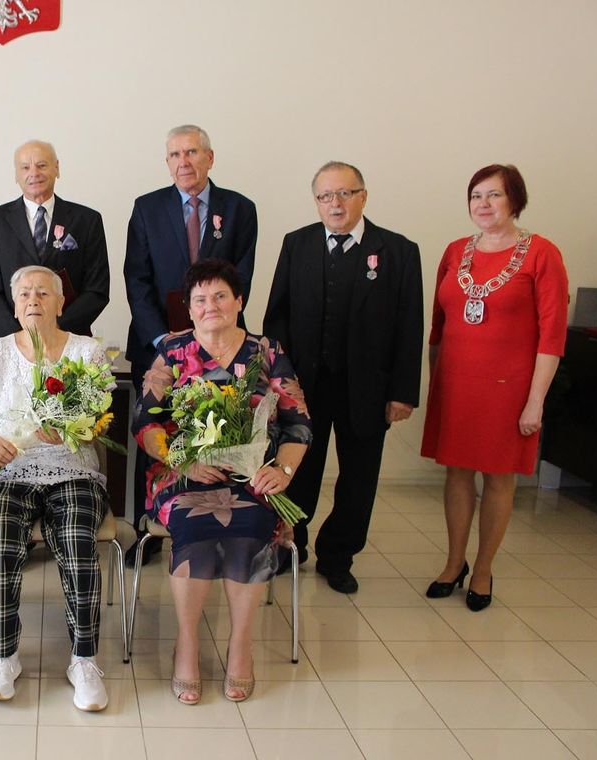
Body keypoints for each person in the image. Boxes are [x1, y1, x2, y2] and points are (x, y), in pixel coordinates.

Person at [133, 258, 311, 705]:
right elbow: (145, 423)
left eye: (219, 296)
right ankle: (188, 644)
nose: (210, 306)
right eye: (200, 299)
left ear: (239, 302)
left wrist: (283, 471)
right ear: (189, 310)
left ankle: (240, 644)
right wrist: (181, 460)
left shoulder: (266, 353)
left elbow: (298, 424)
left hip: (252, 476)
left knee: (250, 527)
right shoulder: (172, 352)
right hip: (183, 474)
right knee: (192, 526)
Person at [263, 161, 423, 594]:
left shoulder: (399, 252)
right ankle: (290, 545)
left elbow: (410, 328)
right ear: (316, 201)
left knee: (359, 477)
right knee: (298, 469)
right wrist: (276, 385)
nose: (335, 203)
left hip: (368, 390)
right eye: (325, 196)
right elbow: (277, 318)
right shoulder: (297, 245)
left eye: (344, 194)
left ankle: (339, 555)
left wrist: (403, 392)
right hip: (304, 390)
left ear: (363, 196)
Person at [421, 165, 569, 612]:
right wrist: (435, 383)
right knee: (457, 474)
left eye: (494, 196)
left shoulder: (541, 254)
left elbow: (552, 336)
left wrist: (536, 400)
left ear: (515, 201)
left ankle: (483, 568)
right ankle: (453, 562)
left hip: (510, 389)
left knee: (499, 479)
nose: (483, 205)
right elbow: (438, 327)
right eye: (475, 196)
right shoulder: (455, 251)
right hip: (457, 384)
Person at [0, 265, 112, 712]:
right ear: (14, 305)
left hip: (73, 471)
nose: (34, 300)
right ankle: (3, 656)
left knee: (75, 540)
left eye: (43, 293)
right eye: (25, 293)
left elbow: (97, 427)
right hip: (10, 472)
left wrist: (72, 430)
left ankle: (84, 660)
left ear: (60, 302)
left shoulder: (88, 353)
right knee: (1, 540)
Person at [124, 124, 258, 564]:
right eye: (175, 155)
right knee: (156, 432)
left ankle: (215, 519)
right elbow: (136, 278)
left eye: (192, 152)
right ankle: (149, 531)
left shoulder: (240, 209)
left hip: (220, 341)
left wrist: (208, 334)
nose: (184, 162)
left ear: (210, 158)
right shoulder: (147, 208)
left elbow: (240, 279)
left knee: (216, 429)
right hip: (159, 343)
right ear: (167, 162)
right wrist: (165, 340)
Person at [0, 139, 110, 340]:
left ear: (57, 168)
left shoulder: (87, 220)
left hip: (70, 340)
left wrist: (54, 330)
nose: (34, 173)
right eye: (25, 167)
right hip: (9, 342)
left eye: (42, 165)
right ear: (16, 175)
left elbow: (96, 289)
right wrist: (21, 337)